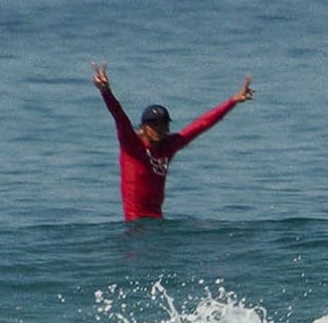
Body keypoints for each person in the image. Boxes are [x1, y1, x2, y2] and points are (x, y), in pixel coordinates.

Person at [92, 64, 254, 220]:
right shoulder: (132, 145)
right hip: (136, 225)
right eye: (153, 124)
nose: (158, 128)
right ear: (143, 127)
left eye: (163, 124)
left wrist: (232, 101)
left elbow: (202, 124)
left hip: (159, 223)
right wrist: (106, 92)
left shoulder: (168, 146)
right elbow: (119, 116)